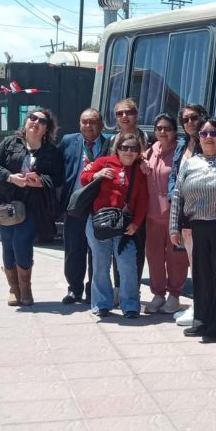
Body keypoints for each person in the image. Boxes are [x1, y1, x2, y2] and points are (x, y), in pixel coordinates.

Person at [0, 108, 64, 307]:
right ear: (26, 121)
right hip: (6, 202)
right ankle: (13, 288)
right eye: (32, 118)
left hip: (32, 204)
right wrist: (10, 177)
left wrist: (40, 181)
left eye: (41, 120)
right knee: (7, 243)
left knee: (22, 242)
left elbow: (57, 178)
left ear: (47, 128)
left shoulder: (51, 151)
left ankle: (25, 286)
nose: (35, 122)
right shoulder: (10, 143)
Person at [169, 118, 216, 341]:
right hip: (197, 226)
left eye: (213, 133)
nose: (208, 137)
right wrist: (173, 227)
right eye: (204, 134)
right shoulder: (190, 163)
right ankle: (202, 320)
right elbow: (177, 194)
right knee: (201, 275)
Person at [81, 132, 149, 318]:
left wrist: (136, 223)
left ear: (138, 152)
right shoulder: (104, 162)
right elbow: (83, 177)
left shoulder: (139, 170)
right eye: (124, 147)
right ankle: (102, 304)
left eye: (133, 148)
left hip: (125, 225)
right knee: (100, 264)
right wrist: (97, 174)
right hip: (99, 222)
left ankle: (130, 306)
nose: (128, 151)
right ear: (117, 148)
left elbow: (143, 199)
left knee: (127, 265)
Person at [59, 109, 110, 305]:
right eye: (84, 122)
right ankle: (74, 289)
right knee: (73, 248)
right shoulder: (68, 141)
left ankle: (92, 291)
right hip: (75, 204)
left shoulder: (109, 144)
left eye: (93, 122)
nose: (88, 126)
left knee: (96, 250)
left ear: (102, 125)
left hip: (99, 205)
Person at [143, 113, 189, 315]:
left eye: (167, 128)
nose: (163, 132)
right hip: (151, 216)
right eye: (159, 128)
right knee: (154, 257)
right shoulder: (150, 152)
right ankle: (158, 294)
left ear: (174, 131)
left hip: (173, 215)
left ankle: (174, 295)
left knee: (176, 258)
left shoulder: (180, 153)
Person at [169, 103, 209, 326]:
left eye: (194, 118)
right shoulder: (182, 145)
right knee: (193, 261)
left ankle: (202, 307)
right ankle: (197, 305)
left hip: (203, 211)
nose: (190, 123)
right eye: (185, 120)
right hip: (184, 212)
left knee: (203, 262)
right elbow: (176, 178)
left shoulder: (210, 142)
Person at [110, 98, 150, 291]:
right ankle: (117, 289)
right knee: (114, 248)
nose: (124, 117)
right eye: (120, 113)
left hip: (140, 202)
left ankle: (133, 289)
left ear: (136, 115)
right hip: (115, 204)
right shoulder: (111, 140)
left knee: (137, 249)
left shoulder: (148, 138)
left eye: (129, 112)